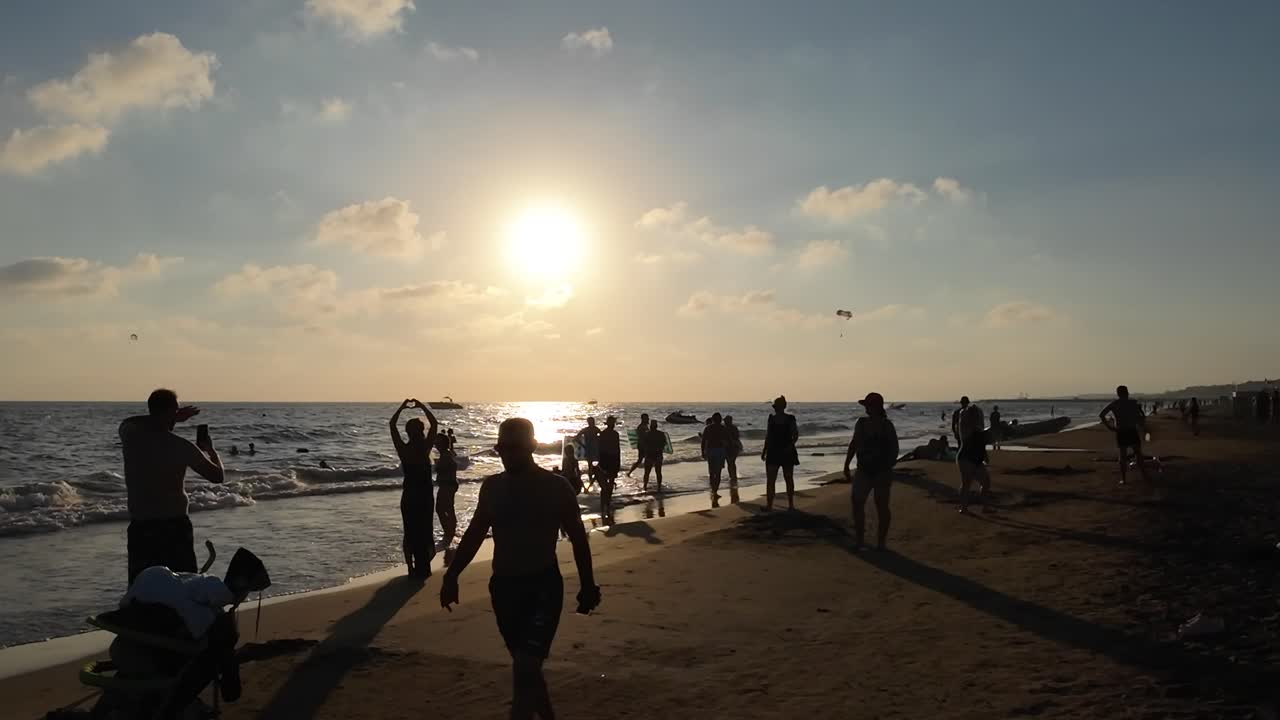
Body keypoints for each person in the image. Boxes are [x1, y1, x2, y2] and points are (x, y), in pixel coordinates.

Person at [441, 418, 600, 720]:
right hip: (503, 589)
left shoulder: (556, 487)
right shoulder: (492, 488)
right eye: (502, 448)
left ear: (532, 447)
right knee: (526, 668)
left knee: (525, 666)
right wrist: (451, 575)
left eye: (515, 448)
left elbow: (579, 540)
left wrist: (588, 586)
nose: (507, 454)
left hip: (543, 588)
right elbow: (475, 533)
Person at [119, 389, 226, 585]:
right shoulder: (181, 446)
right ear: (170, 411)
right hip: (174, 526)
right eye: (175, 411)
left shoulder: (131, 436)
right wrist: (211, 450)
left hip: (142, 525)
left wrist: (170, 418)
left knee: (142, 586)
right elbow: (217, 476)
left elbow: (130, 421)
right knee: (182, 585)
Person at [843, 393, 899, 550]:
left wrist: (888, 466)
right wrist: (847, 464)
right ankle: (860, 540)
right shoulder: (861, 423)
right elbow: (853, 444)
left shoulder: (886, 425)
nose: (866, 408)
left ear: (876, 407)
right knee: (857, 502)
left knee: (881, 506)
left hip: (881, 471)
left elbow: (894, 448)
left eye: (868, 405)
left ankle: (881, 543)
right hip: (864, 469)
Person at [390, 398, 438, 579]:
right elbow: (434, 423)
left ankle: (411, 567)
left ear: (408, 433)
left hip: (410, 494)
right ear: (421, 432)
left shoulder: (403, 449)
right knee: (425, 529)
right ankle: (423, 565)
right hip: (425, 494)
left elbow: (392, 425)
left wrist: (402, 407)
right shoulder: (425, 448)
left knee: (410, 530)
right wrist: (422, 406)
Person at [1099, 385, 1148, 485]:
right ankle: (1144, 475)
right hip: (1131, 430)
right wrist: (1140, 424)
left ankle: (1124, 479)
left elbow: (1102, 414)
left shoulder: (1115, 404)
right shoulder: (1132, 403)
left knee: (1123, 455)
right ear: (1127, 392)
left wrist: (1109, 427)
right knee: (1138, 454)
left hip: (1121, 431)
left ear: (1118, 393)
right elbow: (1141, 417)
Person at [761, 395, 799, 511]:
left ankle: (788, 504)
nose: (775, 408)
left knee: (784, 478)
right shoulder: (773, 418)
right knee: (775, 479)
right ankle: (773, 504)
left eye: (777, 406)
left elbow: (795, 434)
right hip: (777, 451)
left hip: (782, 451)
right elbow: (768, 436)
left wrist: (789, 446)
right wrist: (764, 450)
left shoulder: (789, 418)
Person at [956, 398, 990, 513]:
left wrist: (985, 455)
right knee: (966, 483)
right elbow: (964, 415)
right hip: (966, 457)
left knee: (986, 482)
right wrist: (971, 411)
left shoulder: (979, 428)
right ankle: (963, 508)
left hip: (977, 458)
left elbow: (982, 441)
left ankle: (985, 507)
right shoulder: (965, 427)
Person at [435, 433, 459, 564]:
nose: (435, 445)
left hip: (447, 484)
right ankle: (450, 530)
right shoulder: (448, 453)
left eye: (437, 443)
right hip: (450, 484)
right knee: (448, 508)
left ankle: (449, 531)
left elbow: (443, 469)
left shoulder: (445, 455)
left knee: (441, 508)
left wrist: (437, 466)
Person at [597, 417, 621, 520]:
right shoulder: (613, 434)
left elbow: (600, 448)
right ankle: (606, 504)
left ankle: (605, 505)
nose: (613, 424)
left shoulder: (604, 434)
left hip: (607, 460)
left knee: (607, 484)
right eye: (612, 423)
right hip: (610, 460)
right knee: (608, 484)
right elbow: (617, 449)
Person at [701, 413, 730, 495]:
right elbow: (728, 442)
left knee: (711, 471)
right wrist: (728, 452)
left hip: (710, 451)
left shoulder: (708, 428)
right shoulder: (723, 428)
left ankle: (713, 490)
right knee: (718, 472)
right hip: (720, 451)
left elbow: (703, 441)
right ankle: (715, 490)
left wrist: (703, 452)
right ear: (720, 420)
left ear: (712, 419)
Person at [642, 419, 666, 492]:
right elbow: (664, 443)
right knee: (658, 472)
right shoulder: (661, 434)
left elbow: (643, 444)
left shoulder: (647, 434)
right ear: (656, 426)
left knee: (647, 472)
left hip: (649, 454)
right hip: (658, 454)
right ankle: (659, 487)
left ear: (651, 426)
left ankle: (645, 487)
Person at [724, 415, 742, 484]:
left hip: (732, 447)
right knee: (731, 462)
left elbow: (736, 437)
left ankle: (732, 476)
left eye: (726, 420)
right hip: (732, 447)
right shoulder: (733, 428)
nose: (725, 421)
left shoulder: (730, 428)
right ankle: (732, 476)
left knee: (730, 462)